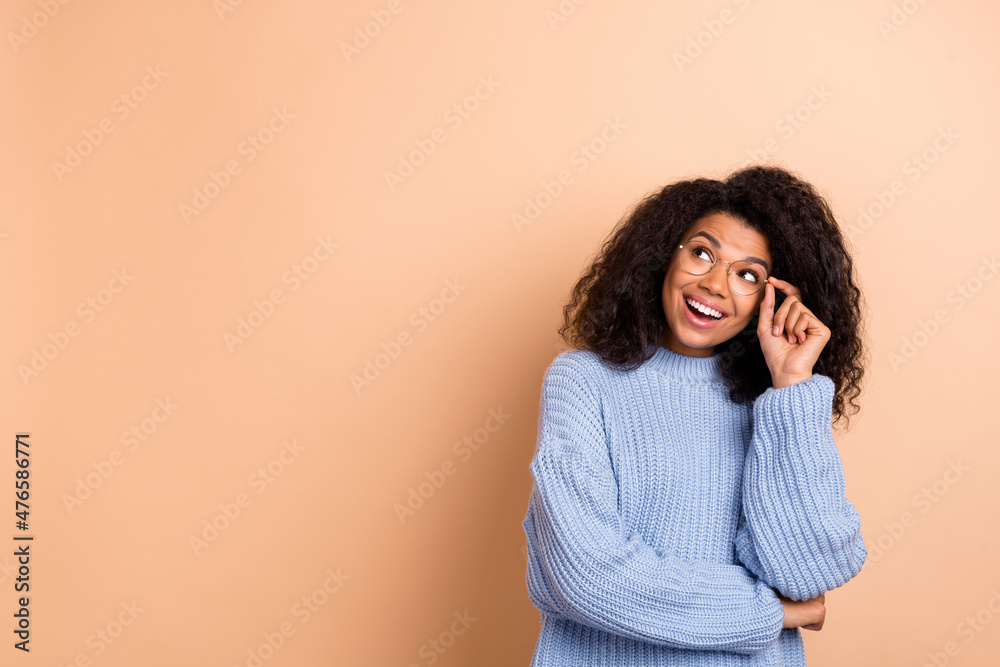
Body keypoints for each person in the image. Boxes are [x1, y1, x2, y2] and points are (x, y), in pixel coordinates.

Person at [521, 164, 869, 666]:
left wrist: (791, 386)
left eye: (747, 274)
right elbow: (585, 575)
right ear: (664, 257)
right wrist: (769, 610)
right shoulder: (582, 381)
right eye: (702, 253)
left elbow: (807, 571)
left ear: (771, 300)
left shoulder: (774, 405)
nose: (714, 284)